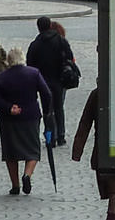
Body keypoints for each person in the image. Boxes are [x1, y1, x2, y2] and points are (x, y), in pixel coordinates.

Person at [0, 56, 57, 196]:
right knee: (32, 149)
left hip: (9, 118)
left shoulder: (2, 77)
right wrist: (47, 111)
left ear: (9, 61)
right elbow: (47, 93)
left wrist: (7, 107)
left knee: (10, 152)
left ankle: (15, 185)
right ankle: (27, 175)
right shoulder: (34, 73)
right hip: (30, 115)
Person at [71, 87, 115, 220]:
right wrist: (77, 149)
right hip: (101, 149)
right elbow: (85, 121)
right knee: (107, 187)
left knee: (114, 189)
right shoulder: (97, 94)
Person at [26, 16, 77, 146]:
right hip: (59, 79)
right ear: (49, 26)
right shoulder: (60, 41)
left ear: (38, 27)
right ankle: (61, 136)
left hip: (43, 81)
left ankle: (50, 137)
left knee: (47, 109)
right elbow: (70, 57)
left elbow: (30, 65)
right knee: (59, 108)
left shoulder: (35, 44)